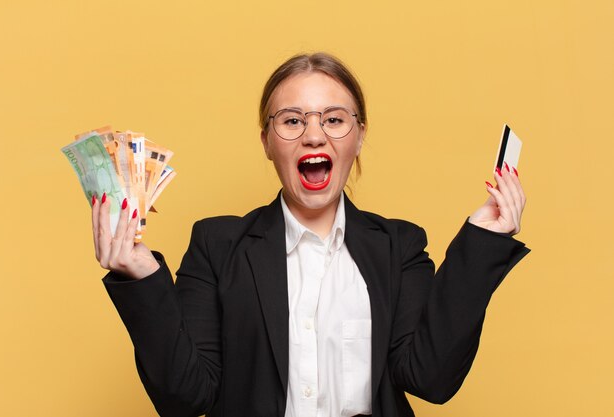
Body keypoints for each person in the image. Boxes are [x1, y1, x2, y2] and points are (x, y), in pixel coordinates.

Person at [92, 52, 529, 417]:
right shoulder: (217, 246)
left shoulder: (399, 247)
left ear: (359, 137)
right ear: (267, 141)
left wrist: (479, 247)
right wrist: (142, 277)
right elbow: (184, 397)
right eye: (292, 121)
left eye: (335, 119)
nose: (314, 134)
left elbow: (431, 379)